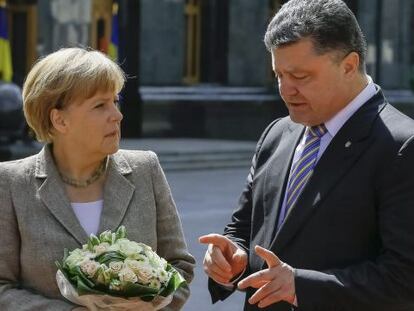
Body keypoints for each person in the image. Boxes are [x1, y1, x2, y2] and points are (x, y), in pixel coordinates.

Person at [199, 0, 414, 310]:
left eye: (300, 77)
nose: (286, 90)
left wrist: (300, 287)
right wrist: (231, 261)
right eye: (278, 75)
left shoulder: (401, 147)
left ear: (349, 66)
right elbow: (244, 229)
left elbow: (405, 278)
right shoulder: (277, 133)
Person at [0, 47, 195, 311]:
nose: (117, 115)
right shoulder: (11, 183)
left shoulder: (144, 169)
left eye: (115, 101)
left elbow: (179, 267)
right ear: (59, 120)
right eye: (100, 105)